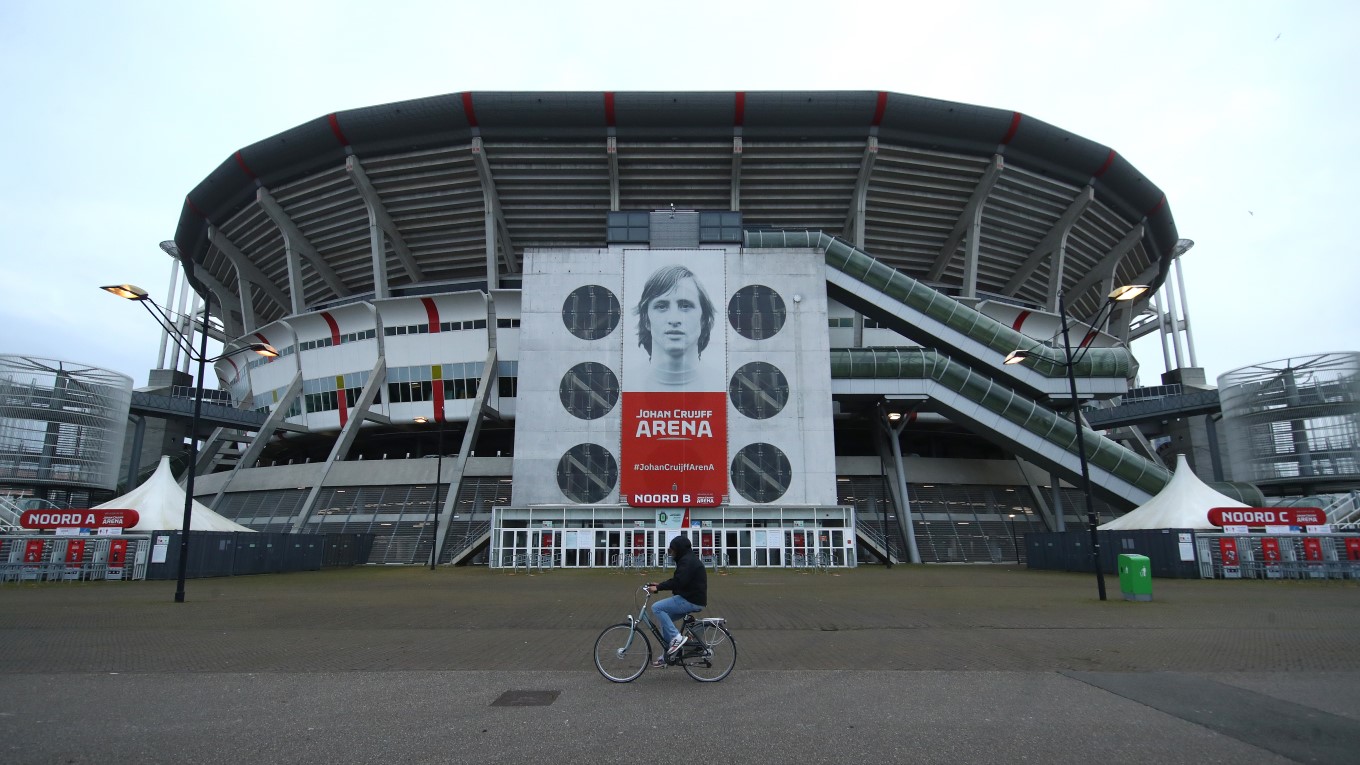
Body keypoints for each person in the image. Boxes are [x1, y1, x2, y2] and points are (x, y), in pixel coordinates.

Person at [633, 264, 718, 390]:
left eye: (685, 306)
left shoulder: (722, 385)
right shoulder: (628, 384)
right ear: (646, 319)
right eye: (661, 306)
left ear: (703, 319)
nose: (674, 319)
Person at [647, 534, 708, 667]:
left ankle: (677, 638)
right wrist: (659, 585)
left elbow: (678, 582)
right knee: (665, 621)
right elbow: (679, 581)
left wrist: (658, 587)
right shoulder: (687, 559)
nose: (671, 553)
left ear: (679, 549)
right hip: (692, 598)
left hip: (690, 600)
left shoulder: (687, 561)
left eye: (672, 550)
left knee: (657, 607)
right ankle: (668, 656)